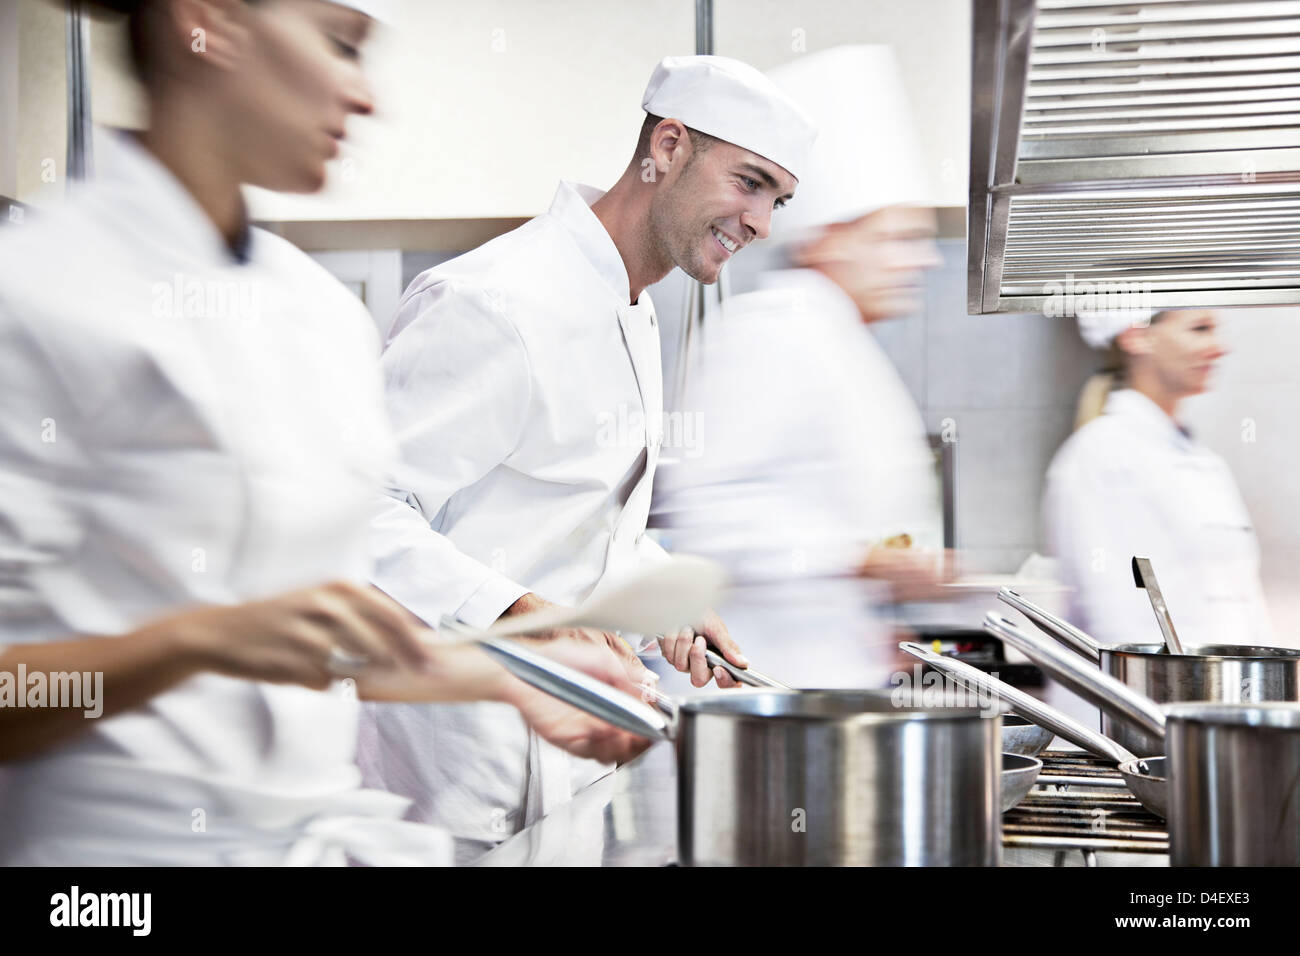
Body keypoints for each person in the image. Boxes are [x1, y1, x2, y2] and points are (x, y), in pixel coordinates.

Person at [0, 0, 648, 866]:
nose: (365, 96)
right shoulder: (40, 293)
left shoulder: (314, 314)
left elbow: (319, 632)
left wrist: (511, 677)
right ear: (211, 24)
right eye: (340, 43)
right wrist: (198, 638)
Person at [360, 54, 817, 858]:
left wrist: (655, 595)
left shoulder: (632, 309)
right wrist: (526, 618)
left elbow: (575, 521)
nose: (762, 224)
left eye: (778, 199)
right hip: (447, 788)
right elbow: (359, 513)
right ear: (668, 146)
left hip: (570, 768)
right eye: (749, 183)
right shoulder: (491, 302)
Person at [651, 46, 947, 688]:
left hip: (829, 683)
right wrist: (860, 560)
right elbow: (707, 513)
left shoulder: (845, 341)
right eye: (896, 239)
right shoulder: (773, 332)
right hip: (758, 689)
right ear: (829, 238)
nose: (922, 261)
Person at [1043, 308, 1272, 648]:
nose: (1219, 347)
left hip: (1209, 689)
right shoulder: (1098, 457)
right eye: (1199, 328)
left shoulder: (1203, 461)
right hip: (1149, 695)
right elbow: (1115, 620)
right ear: (1137, 336)